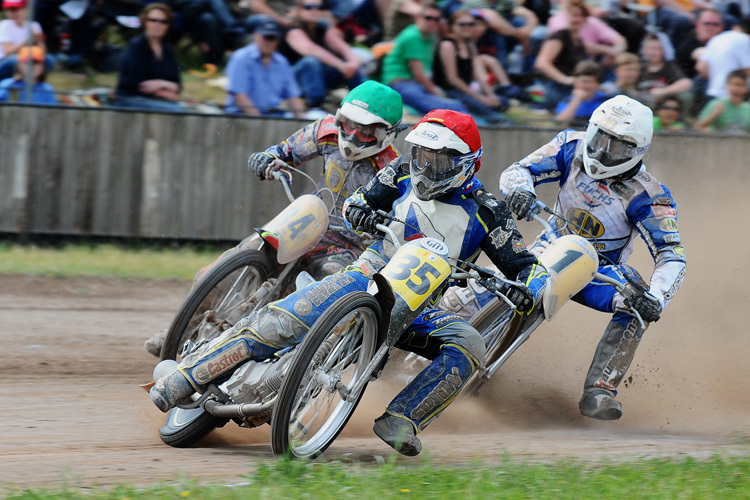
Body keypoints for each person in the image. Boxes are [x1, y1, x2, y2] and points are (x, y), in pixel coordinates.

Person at [148, 109, 549, 456]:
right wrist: (361, 212)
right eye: (421, 155)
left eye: (439, 161)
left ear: (469, 163)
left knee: (469, 343)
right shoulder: (399, 172)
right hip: (366, 272)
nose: (425, 167)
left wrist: (529, 288)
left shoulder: (489, 212)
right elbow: (360, 200)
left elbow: (525, 265)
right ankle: (188, 376)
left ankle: (402, 420)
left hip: (419, 309)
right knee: (286, 317)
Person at [442, 95, 686, 420]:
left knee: (637, 305)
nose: (603, 152)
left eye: (618, 147)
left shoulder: (651, 195)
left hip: (600, 272)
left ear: (638, 150)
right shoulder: (570, 144)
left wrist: (657, 298)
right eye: (601, 139)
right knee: (464, 295)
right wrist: (520, 191)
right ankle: (422, 336)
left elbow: (672, 255)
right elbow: (520, 170)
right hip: (548, 246)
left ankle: (601, 389)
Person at [144, 80, 404, 356]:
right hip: (307, 219)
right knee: (229, 263)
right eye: (349, 124)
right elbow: (285, 151)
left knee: (322, 294)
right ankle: (180, 330)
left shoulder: (392, 171)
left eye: (365, 130)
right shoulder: (325, 130)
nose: (352, 136)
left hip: (346, 245)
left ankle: (287, 361)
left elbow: (399, 220)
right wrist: (268, 159)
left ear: (387, 133)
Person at [381, 4, 471, 115]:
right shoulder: (413, 36)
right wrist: (436, 92)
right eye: (428, 17)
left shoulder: (428, 36)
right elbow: (419, 75)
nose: (432, 22)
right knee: (454, 108)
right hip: (401, 85)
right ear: (417, 18)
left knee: (456, 106)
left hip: (414, 85)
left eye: (436, 19)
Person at [278, 0, 365, 110]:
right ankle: (316, 106)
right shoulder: (292, 29)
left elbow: (343, 47)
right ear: (299, 9)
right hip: (291, 80)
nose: (314, 11)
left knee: (351, 68)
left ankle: (362, 101)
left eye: (319, 7)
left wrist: (353, 63)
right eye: (308, 7)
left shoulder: (320, 28)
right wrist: (341, 66)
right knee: (310, 62)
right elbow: (310, 49)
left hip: (316, 78)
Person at [432, 9, 511, 124]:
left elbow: (478, 72)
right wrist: (480, 98)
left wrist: (490, 94)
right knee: (487, 111)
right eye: (462, 24)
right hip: (450, 91)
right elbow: (452, 79)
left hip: (466, 89)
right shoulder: (447, 45)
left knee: (503, 102)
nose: (467, 27)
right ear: (452, 26)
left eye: (471, 24)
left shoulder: (469, 44)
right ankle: (503, 123)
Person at [224, 18, 306, 117]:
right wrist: (260, 123)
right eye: (266, 37)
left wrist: (302, 121)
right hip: (241, 116)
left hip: (272, 116)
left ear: (278, 40)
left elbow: (293, 96)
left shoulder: (282, 62)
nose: (269, 42)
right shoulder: (241, 58)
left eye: (272, 38)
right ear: (256, 36)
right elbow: (240, 97)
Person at [114, 3, 186, 112]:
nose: (158, 24)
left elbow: (178, 84)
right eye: (153, 20)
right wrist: (166, 91)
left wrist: (162, 84)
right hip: (130, 100)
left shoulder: (167, 50)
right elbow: (137, 84)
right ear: (144, 21)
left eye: (163, 21)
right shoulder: (137, 46)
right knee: (178, 111)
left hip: (157, 101)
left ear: (168, 25)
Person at [533, 0, 592, 110]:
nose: (577, 19)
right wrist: (564, 79)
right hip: (554, 88)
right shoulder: (561, 35)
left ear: (585, 19)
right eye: (574, 15)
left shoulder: (579, 41)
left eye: (580, 15)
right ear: (567, 17)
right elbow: (541, 63)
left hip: (571, 89)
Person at [0, 0, 54, 80]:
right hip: (5, 61)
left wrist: (39, 41)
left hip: (28, 58)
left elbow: (43, 52)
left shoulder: (34, 25)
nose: (13, 13)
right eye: (9, 10)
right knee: (14, 59)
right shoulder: (4, 25)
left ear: (26, 9)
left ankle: (34, 82)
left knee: (49, 59)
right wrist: (27, 41)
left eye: (16, 9)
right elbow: (8, 51)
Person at [635, 32, 692, 107]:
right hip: (640, 102)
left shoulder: (669, 67)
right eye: (650, 49)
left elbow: (686, 83)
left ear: (665, 50)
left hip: (662, 105)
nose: (652, 53)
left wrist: (662, 91)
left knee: (686, 96)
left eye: (657, 49)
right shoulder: (639, 66)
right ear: (644, 50)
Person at [555, 59, 610, 127]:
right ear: (575, 83)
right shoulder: (566, 101)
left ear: (597, 84)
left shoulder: (606, 102)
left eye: (589, 82)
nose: (585, 86)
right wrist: (576, 100)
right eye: (583, 81)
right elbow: (561, 124)